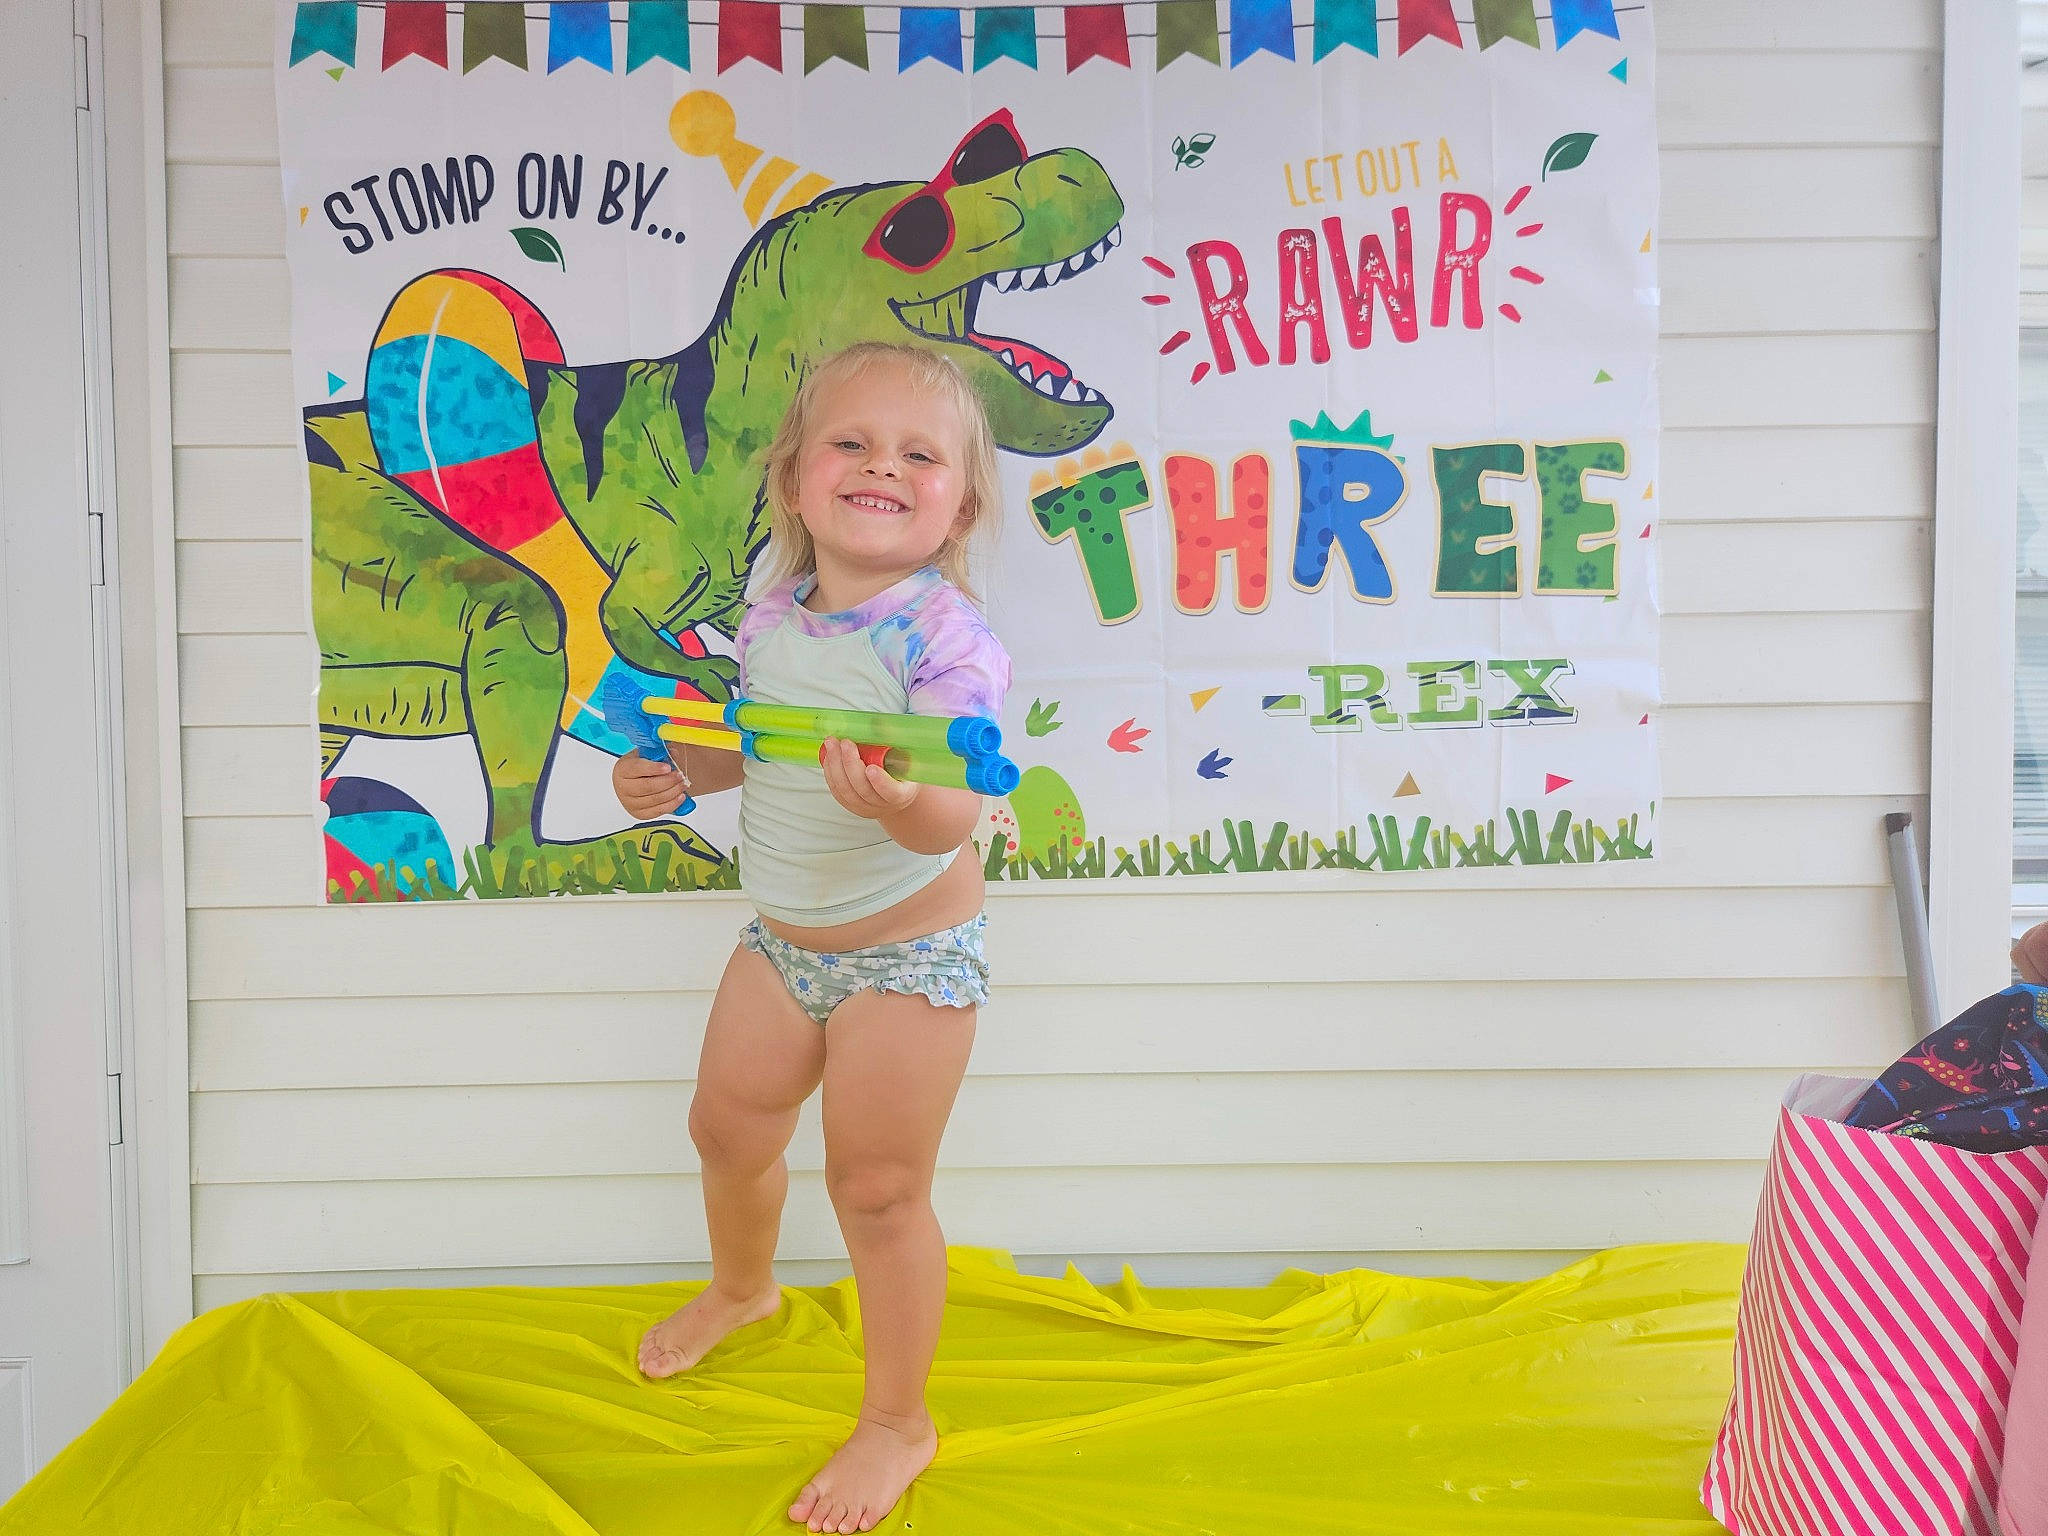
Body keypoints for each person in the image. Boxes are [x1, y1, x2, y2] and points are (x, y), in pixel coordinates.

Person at [611, 342, 1011, 1535]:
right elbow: (760, 743)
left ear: (958, 504)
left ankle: (897, 1419)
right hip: (781, 940)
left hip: (907, 957)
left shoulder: (943, 640)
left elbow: (955, 809)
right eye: (850, 442)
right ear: (792, 480)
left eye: (917, 454)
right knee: (725, 1127)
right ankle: (744, 1289)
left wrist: (904, 803)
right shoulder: (772, 612)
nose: (880, 464)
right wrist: (676, 771)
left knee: (877, 1189)